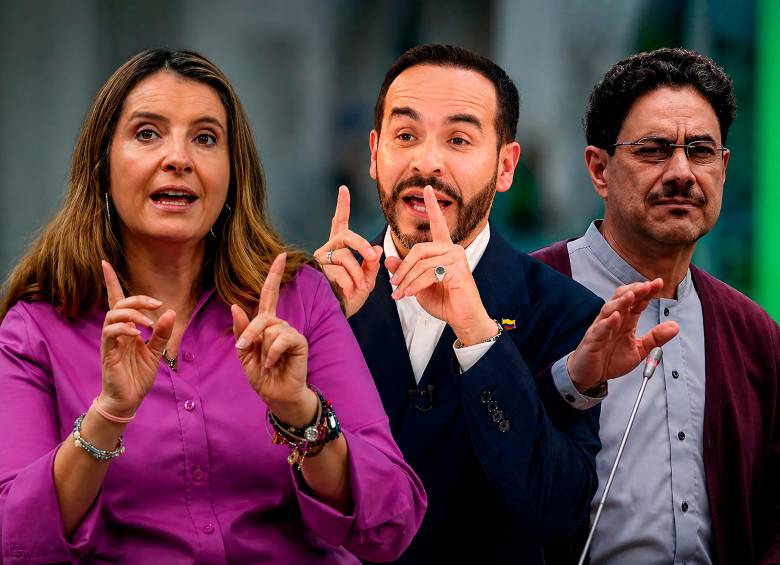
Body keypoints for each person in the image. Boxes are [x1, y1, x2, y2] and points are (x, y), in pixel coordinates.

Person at [0, 49, 426, 564]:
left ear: (232, 173)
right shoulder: (38, 328)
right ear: (102, 165)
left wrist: (302, 413)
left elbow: (391, 524)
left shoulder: (301, 298)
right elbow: (16, 543)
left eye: (205, 138)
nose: (178, 158)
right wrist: (107, 416)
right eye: (147, 133)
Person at [315, 44, 678, 563]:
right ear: (374, 154)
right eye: (405, 136)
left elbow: (555, 511)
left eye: (459, 139)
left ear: (505, 166)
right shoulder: (312, 298)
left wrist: (478, 335)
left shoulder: (563, 309)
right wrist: (323, 324)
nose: (427, 162)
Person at [532, 47, 780, 564]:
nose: (682, 172)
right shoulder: (523, 298)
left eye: (701, 151)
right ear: (599, 169)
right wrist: (569, 384)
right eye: (654, 149)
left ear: (724, 168)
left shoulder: (751, 332)